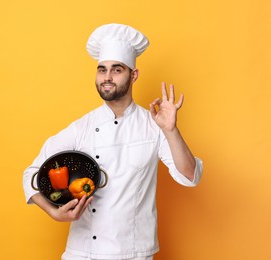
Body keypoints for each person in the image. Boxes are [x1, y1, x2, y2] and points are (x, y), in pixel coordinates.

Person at [22, 23, 203, 260]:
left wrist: (171, 130)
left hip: (134, 253)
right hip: (83, 252)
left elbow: (190, 176)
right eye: (102, 70)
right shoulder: (82, 127)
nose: (107, 77)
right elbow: (32, 174)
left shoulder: (154, 125)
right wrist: (55, 213)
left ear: (133, 75)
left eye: (117, 70)